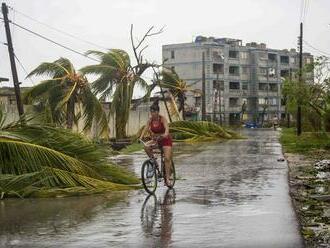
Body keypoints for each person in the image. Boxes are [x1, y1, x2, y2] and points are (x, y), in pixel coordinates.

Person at [139, 100, 173, 186]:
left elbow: (167, 130)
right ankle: (154, 161)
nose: (152, 114)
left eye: (153, 112)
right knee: (146, 146)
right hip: (156, 140)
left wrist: (165, 134)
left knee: (167, 159)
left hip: (165, 140)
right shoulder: (150, 120)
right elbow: (146, 128)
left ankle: (168, 179)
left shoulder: (163, 119)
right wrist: (141, 137)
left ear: (157, 112)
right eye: (151, 112)